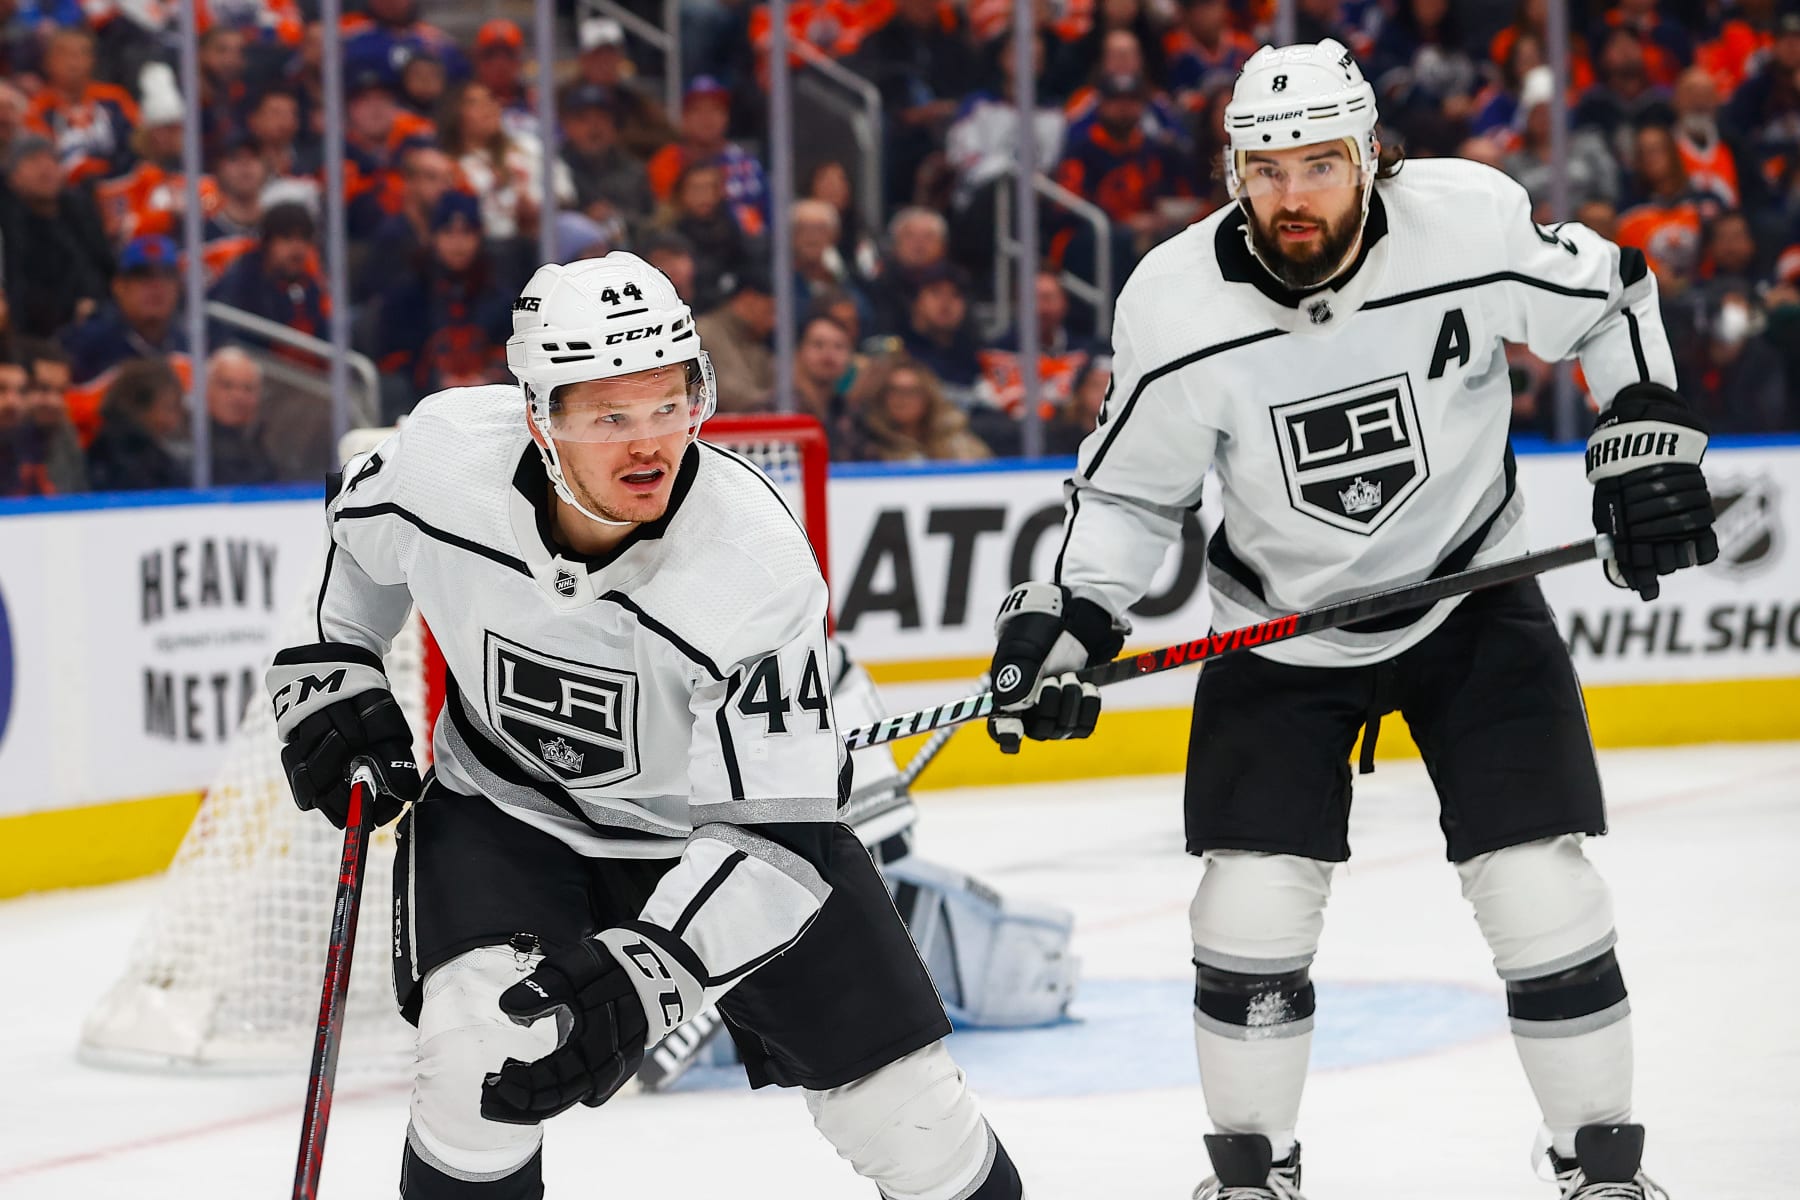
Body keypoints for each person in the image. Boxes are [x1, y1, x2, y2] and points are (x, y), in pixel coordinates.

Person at [983, 39, 1715, 1199]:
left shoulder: (1468, 222)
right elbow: (1129, 493)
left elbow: (1610, 298)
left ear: (1372, 157)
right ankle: (1251, 1175)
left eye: (1318, 165)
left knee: (1542, 888)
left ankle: (1603, 1167)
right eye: (1266, 168)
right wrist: (1067, 620)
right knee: (1248, 912)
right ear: (1233, 169)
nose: (1291, 196)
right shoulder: (1174, 302)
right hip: (1282, 633)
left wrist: (1640, 432)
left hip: (1472, 594)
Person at [262, 251, 1027, 1200]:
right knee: (477, 1063)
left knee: (911, 1120)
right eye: (608, 416)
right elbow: (356, 537)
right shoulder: (448, 457)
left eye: (669, 405)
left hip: (716, 842)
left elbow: (776, 840)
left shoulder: (752, 562)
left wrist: (660, 967)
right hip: (510, 809)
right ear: (539, 415)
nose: (647, 446)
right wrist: (330, 660)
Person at [61, 235, 186, 385]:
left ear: (179, 286)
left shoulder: (189, 343)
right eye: (142, 276)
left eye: (167, 275)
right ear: (119, 286)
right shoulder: (85, 346)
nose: (156, 286)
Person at [85, 356, 188, 492]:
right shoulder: (119, 459)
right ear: (138, 408)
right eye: (169, 408)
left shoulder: (152, 452)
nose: (174, 419)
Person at [203, 345, 277, 484]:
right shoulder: (189, 447)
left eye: (248, 389)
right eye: (227, 386)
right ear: (206, 389)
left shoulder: (263, 447)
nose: (238, 397)